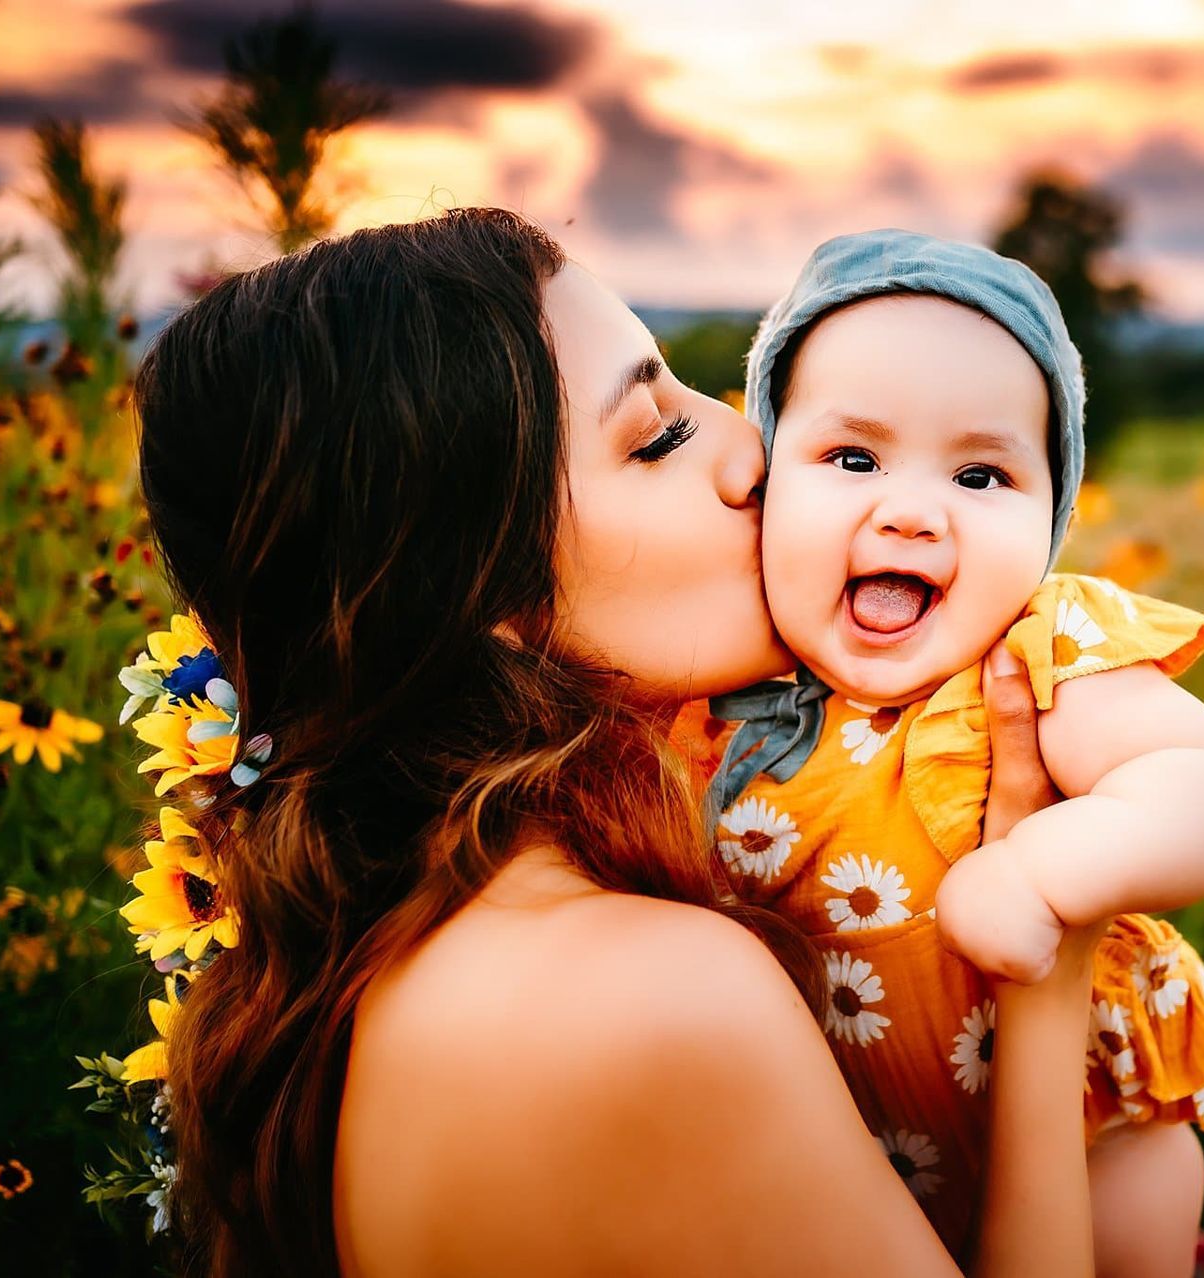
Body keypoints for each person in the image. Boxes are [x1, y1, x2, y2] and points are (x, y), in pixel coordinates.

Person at [130, 207, 1100, 1277]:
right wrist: (1050, 970)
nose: (751, 452)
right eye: (656, 437)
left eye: (691, 388)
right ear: (480, 590)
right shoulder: (654, 996)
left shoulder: (383, 953)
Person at [698, 230, 1204, 1276]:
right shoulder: (717, 683)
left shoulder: (1036, 658)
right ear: (767, 478)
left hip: (1080, 1141)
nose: (913, 512)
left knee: (1143, 1186)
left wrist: (1040, 871)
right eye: (854, 459)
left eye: (980, 473)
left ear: (1050, 515)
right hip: (832, 1162)